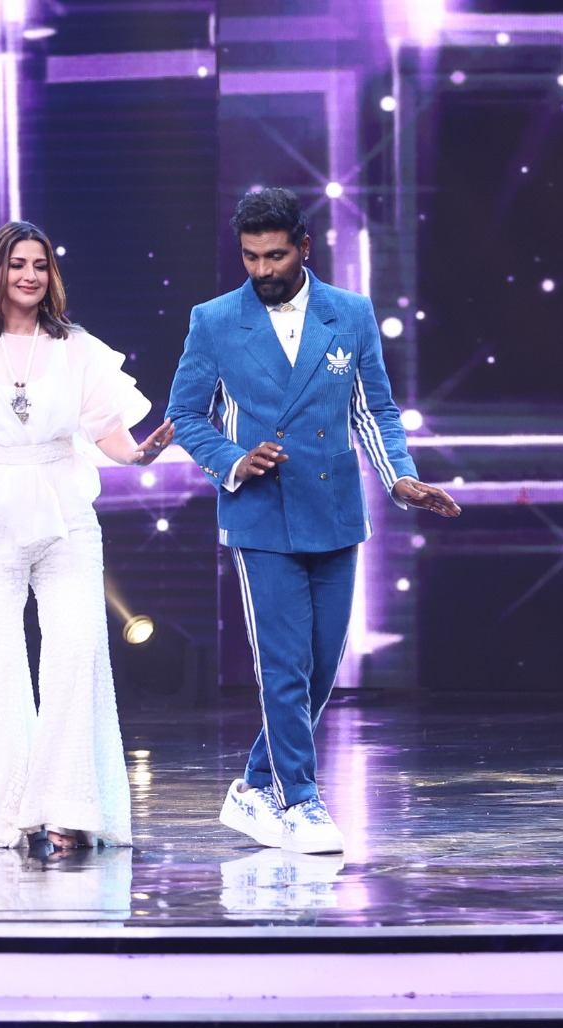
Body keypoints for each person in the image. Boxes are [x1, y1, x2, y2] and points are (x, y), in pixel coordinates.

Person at [164, 188, 460, 855]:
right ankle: (300, 799)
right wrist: (235, 460)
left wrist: (401, 478)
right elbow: (186, 415)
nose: (262, 270)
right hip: (259, 514)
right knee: (283, 668)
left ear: (303, 246)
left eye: (274, 254)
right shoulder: (214, 321)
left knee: (322, 667)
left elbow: (373, 410)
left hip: (334, 513)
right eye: (250, 257)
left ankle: (252, 784)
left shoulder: (348, 314)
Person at [0, 220, 175, 851]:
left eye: (40, 265)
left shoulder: (77, 347)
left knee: (76, 650)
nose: (29, 275)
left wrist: (139, 456)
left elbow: (108, 430)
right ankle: (1, 810)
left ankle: (66, 809)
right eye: (17, 263)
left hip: (64, 513)